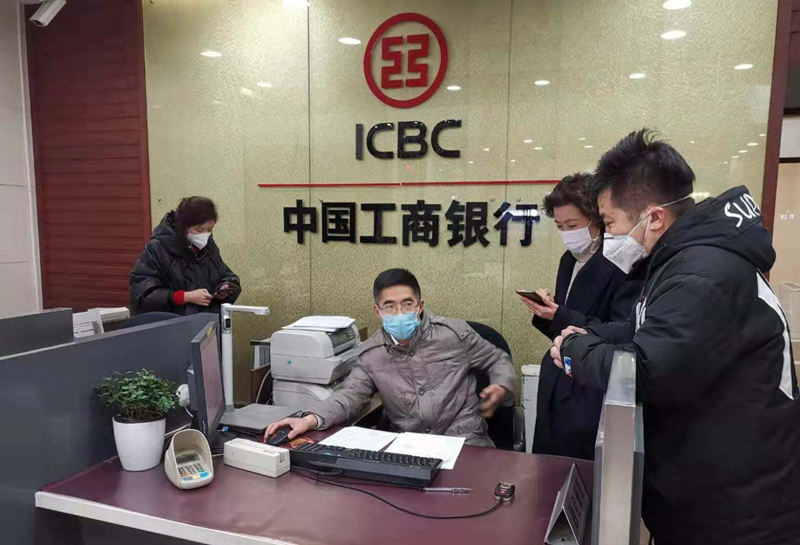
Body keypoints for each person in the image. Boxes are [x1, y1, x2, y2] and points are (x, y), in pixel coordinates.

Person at [550, 129, 800, 545]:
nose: (607, 236)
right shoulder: (687, 261)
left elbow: (646, 371)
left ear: (654, 218)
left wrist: (575, 350)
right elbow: (647, 329)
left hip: (737, 511)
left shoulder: (701, 273)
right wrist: (589, 332)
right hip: (713, 490)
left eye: (609, 223)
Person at [267, 268, 519, 447]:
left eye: (407, 304)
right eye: (390, 306)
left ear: (420, 306)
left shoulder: (453, 334)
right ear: (378, 312)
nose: (399, 313)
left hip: (466, 441)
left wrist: (500, 384)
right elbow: (349, 396)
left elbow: (497, 360)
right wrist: (310, 419)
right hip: (409, 445)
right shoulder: (371, 353)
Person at [520, 173, 642, 460]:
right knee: (546, 464)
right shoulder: (568, 260)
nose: (566, 233)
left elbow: (623, 330)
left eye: (572, 225)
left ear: (597, 220)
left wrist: (561, 314)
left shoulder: (623, 263)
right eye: (560, 226)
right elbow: (564, 322)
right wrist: (548, 310)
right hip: (557, 375)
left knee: (581, 467)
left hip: (590, 385)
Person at [129, 196, 241, 315]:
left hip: (206, 321)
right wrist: (184, 297)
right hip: (173, 322)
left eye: (210, 230)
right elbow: (142, 294)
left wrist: (225, 289)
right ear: (183, 227)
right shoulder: (157, 248)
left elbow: (228, 276)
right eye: (199, 230)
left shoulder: (208, 247)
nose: (205, 235)